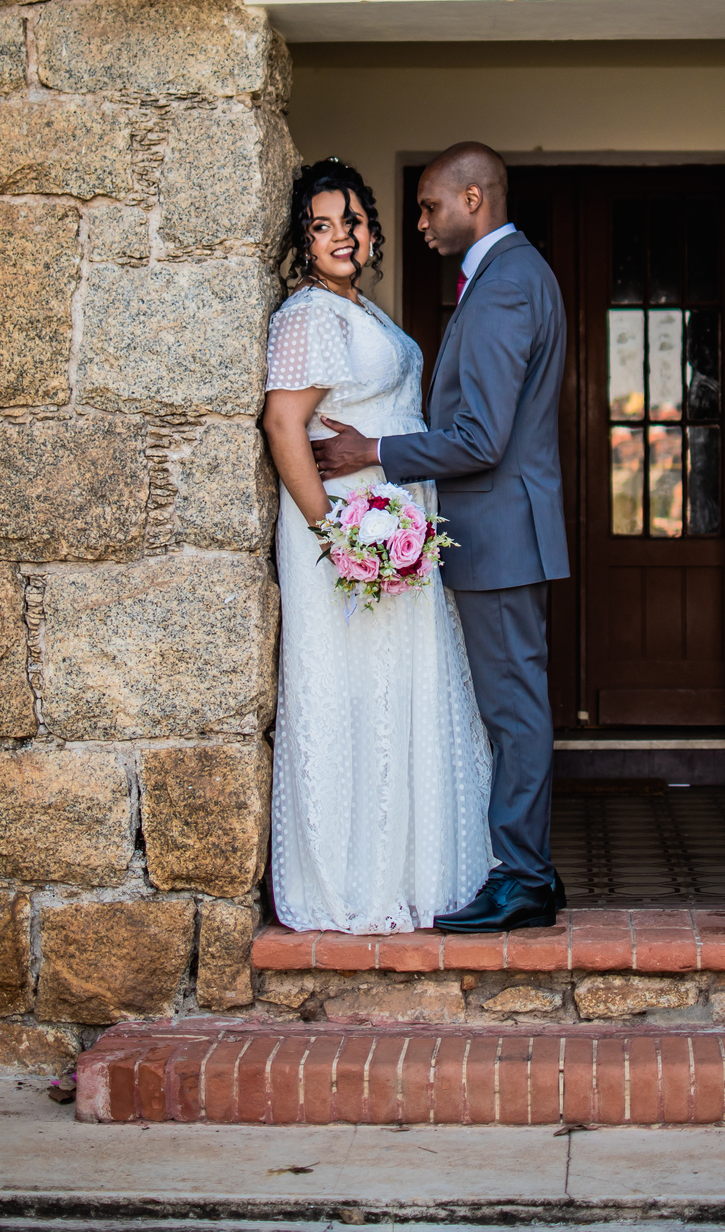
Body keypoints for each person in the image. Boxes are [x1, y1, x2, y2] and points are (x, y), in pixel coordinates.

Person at [314, 142, 569, 934]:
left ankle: (523, 879)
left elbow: (481, 438)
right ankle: (534, 872)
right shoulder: (515, 276)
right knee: (514, 703)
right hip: (503, 530)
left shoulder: (504, 289)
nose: (419, 222)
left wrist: (372, 453)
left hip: (498, 532)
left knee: (513, 710)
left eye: (429, 207)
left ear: (473, 201)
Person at [261, 157, 492, 934]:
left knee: (399, 690)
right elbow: (284, 425)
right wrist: (333, 531)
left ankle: (410, 864)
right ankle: (352, 875)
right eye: (321, 225)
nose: (340, 235)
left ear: (370, 228)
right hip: (346, 535)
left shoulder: (358, 309)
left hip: (394, 526)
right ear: (301, 240)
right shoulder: (307, 317)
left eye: (351, 219)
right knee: (353, 690)